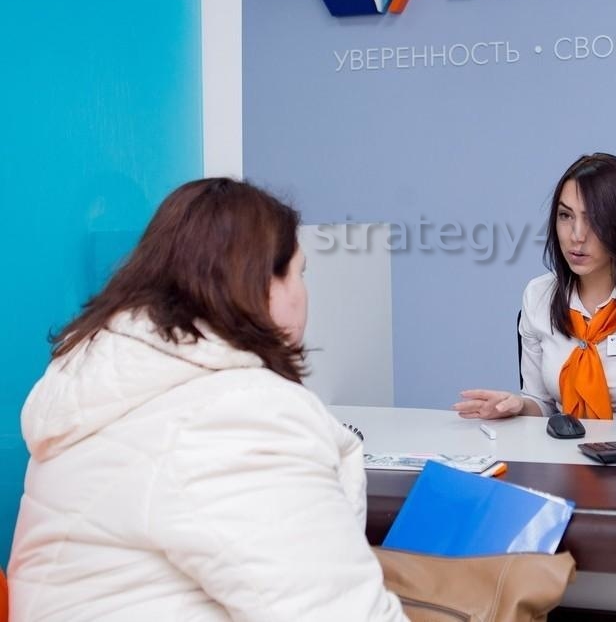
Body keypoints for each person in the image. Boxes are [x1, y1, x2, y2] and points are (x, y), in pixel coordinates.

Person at [8, 178, 408, 622]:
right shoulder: (235, 418)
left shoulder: (109, 388)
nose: (303, 292)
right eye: (300, 273)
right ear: (262, 284)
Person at [454, 153, 616, 421]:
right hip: (564, 446)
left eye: (594, 219)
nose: (577, 236)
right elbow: (542, 405)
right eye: (565, 215)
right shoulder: (539, 296)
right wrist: (517, 406)